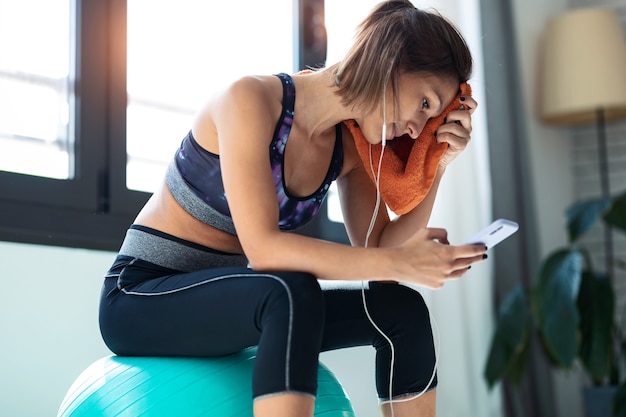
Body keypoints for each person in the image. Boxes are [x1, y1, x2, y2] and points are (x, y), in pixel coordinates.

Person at [99, 1, 486, 416]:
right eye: (425, 104)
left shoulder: (352, 151)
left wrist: (438, 159)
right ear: (387, 60)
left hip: (242, 303)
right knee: (289, 289)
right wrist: (401, 262)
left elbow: (380, 257)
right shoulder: (249, 100)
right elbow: (265, 251)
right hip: (141, 296)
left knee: (400, 309)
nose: (416, 128)